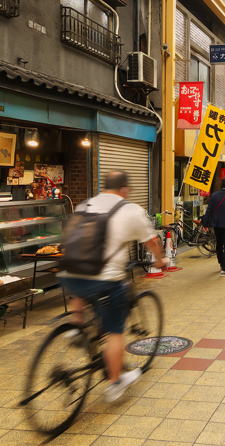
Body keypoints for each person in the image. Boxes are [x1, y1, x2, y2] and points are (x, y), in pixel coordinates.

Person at [61, 171, 166, 403]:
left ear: (104, 187)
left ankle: (76, 327)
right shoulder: (131, 210)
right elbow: (152, 242)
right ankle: (115, 383)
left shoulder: (84, 205)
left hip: (70, 273)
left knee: (81, 285)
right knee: (116, 330)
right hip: (105, 280)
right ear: (124, 189)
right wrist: (160, 261)